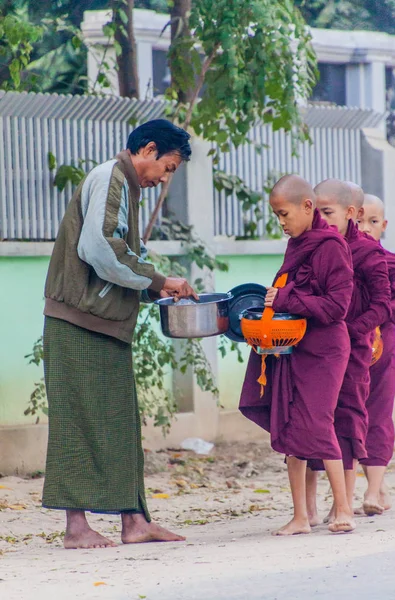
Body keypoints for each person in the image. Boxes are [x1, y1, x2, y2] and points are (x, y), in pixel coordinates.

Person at [42, 119, 198, 549]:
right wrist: (156, 280)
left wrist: (158, 285)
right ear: (147, 150)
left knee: (120, 423)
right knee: (78, 422)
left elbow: (127, 254)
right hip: (77, 320)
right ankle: (76, 529)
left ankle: (135, 521)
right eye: (167, 167)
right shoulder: (110, 177)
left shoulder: (127, 186)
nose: (164, 178)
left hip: (103, 322)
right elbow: (100, 250)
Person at [240, 174, 355, 535]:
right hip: (294, 346)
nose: (281, 222)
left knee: (318, 422)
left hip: (326, 349)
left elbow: (337, 307)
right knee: (289, 421)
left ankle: (344, 509)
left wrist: (286, 299)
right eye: (276, 215)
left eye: (284, 214)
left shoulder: (331, 246)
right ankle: (301, 517)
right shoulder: (298, 243)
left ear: (307, 207)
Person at [306, 180, 391, 525]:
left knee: (348, 420)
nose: (321, 220)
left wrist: (351, 331)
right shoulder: (314, 247)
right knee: (311, 418)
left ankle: (343, 502)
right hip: (314, 348)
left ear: (351, 214)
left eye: (327, 213)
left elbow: (383, 305)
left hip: (353, 349)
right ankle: (307, 507)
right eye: (317, 212)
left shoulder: (368, 253)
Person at [357, 194, 395, 515]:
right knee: (348, 417)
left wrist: (377, 313)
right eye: (359, 220)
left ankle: (372, 491)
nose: (365, 228)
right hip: (346, 353)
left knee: (379, 415)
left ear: (383, 226)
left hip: (382, 354)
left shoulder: (392, 263)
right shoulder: (339, 262)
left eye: (373, 222)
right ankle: (376, 487)